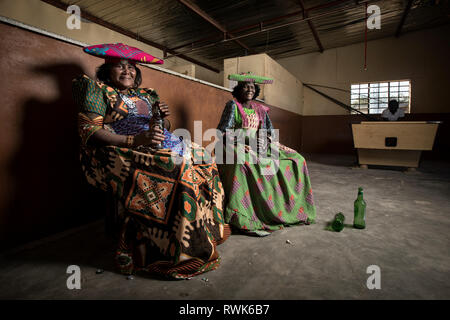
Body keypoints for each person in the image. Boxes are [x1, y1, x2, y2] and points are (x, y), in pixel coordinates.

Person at [72, 43, 229, 279]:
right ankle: (169, 247)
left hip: (154, 143)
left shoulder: (146, 94)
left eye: (132, 67)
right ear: (106, 71)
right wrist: (133, 141)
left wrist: (161, 119)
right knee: (177, 167)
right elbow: (89, 132)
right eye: (120, 67)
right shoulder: (97, 89)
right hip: (116, 149)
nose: (128, 71)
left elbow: (163, 128)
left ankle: (205, 231)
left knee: (205, 157)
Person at [216, 72, 316, 236]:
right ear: (239, 89)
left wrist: (271, 143)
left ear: (255, 90)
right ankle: (244, 216)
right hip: (233, 145)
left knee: (297, 159)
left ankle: (289, 209)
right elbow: (222, 132)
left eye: (252, 87)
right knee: (244, 162)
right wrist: (241, 142)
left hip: (258, 145)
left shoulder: (261, 109)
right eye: (245, 86)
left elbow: (269, 132)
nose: (249, 89)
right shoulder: (232, 106)